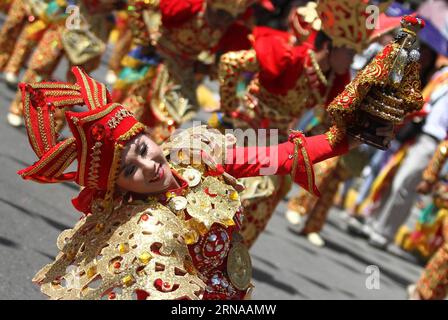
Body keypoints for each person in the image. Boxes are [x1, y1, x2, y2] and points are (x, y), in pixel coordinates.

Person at [17, 67, 367, 299]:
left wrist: (343, 139)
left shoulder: (192, 156)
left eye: (142, 148)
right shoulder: (146, 229)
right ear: (120, 187)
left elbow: (275, 157)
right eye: (129, 170)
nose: (149, 164)